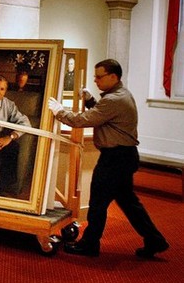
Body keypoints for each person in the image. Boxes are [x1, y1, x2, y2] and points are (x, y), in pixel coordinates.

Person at [48, 59, 168, 258]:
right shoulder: (121, 95)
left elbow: (83, 120)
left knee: (98, 203)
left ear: (113, 77)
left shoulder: (114, 100)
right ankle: (155, 239)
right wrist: (89, 101)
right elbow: (104, 116)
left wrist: (59, 111)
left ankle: (89, 244)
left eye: (99, 76)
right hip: (124, 156)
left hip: (115, 158)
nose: (95, 80)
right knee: (129, 203)